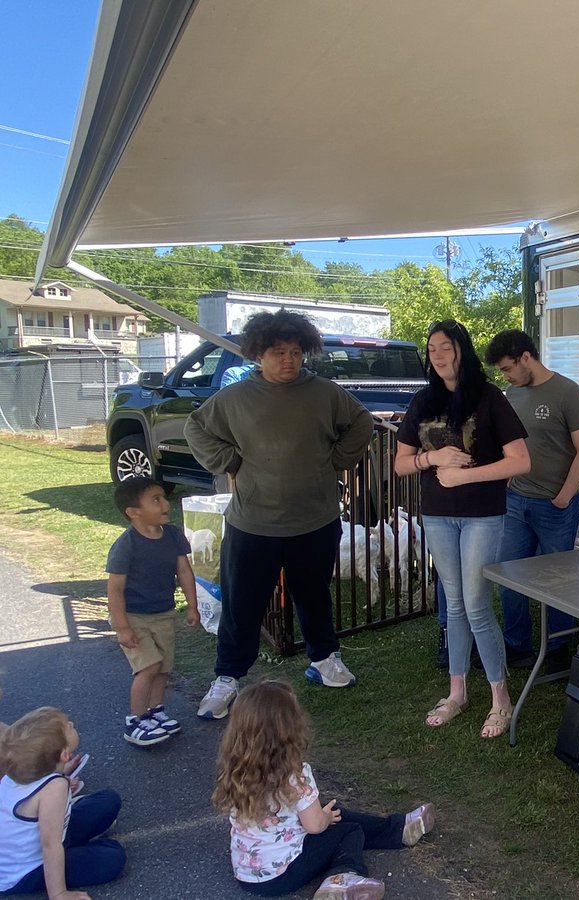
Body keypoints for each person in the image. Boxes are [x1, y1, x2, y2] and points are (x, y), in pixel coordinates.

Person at [185, 310, 374, 720]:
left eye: (295, 352)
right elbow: (196, 428)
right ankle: (228, 678)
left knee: (314, 596)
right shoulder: (235, 399)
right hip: (253, 523)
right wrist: (228, 461)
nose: (289, 360)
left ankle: (324, 660)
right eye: (278, 352)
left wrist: (338, 460)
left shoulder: (324, 392)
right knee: (242, 604)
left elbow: (361, 422)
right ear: (258, 353)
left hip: (315, 520)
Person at [394, 320, 530, 740]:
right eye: (432, 348)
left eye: (446, 347)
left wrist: (465, 477)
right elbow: (401, 463)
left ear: (461, 351)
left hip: (482, 514)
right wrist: (432, 462)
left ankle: (500, 699)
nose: (438, 354)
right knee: (453, 605)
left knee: (474, 604)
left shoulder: (489, 398)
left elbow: (520, 461)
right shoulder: (423, 401)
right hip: (437, 514)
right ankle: (457, 693)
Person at [212, 681, 434, 899]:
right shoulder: (295, 776)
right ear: (289, 730)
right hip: (283, 875)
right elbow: (316, 826)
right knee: (348, 830)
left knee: (330, 810)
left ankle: (399, 828)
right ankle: (342, 877)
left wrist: (326, 815)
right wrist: (325, 818)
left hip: (247, 874)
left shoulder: (235, 771)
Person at [484, 329, 579, 673]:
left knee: (558, 581)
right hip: (516, 502)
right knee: (510, 576)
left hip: (555, 507)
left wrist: (563, 497)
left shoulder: (568, 393)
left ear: (526, 358)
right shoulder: (512, 394)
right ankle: (517, 647)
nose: (506, 375)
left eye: (507, 368)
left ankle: (558, 648)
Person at [105, 477, 199, 746]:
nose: (165, 504)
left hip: (164, 613)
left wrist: (191, 605)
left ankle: (155, 711)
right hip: (134, 617)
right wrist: (122, 626)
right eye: (155, 499)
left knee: (163, 668)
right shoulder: (127, 545)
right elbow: (115, 589)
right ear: (133, 512)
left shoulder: (172, 535)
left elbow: (184, 571)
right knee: (149, 666)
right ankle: (135, 720)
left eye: (163, 497)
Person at [0, 708, 125, 898]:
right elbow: (50, 844)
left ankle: (78, 847)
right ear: (64, 754)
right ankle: (66, 868)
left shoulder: (17, 772)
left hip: (31, 845)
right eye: (68, 727)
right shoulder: (54, 787)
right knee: (114, 858)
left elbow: (38, 783)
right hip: (26, 871)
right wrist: (59, 894)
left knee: (109, 800)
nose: (72, 724)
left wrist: (61, 770)